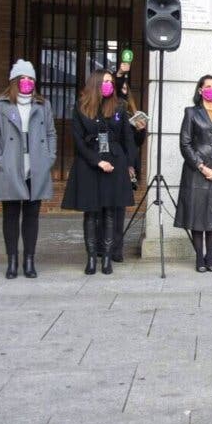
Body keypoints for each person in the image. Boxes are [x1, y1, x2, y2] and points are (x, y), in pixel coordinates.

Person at [0, 59, 57, 279]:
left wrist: (49, 157)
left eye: (31, 78)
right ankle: (12, 260)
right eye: (23, 78)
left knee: (32, 216)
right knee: (11, 215)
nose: (27, 82)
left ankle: (29, 260)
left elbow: (51, 133)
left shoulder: (43, 105)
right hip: (11, 166)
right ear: (15, 81)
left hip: (36, 166)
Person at [61, 70, 135, 275]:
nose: (108, 85)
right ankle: (92, 257)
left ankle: (107, 258)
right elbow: (77, 139)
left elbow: (127, 138)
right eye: (104, 82)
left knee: (110, 212)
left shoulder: (119, 106)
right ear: (95, 84)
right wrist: (97, 161)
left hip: (115, 162)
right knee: (91, 213)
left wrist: (130, 164)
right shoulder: (81, 106)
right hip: (89, 163)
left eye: (110, 82)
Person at [174, 75, 212, 273]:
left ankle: (210, 256)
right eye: (207, 86)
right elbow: (185, 143)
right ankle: (199, 257)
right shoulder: (191, 113)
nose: (211, 89)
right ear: (200, 90)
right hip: (196, 172)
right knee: (197, 215)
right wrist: (201, 166)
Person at [110, 58, 147, 264]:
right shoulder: (109, 110)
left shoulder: (131, 111)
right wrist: (120, 73)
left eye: (126, 87)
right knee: (106, 208)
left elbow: (137, 142)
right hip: (113, 162)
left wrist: (141, 130)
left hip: (128, 165)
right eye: (120, 87)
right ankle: (103, 245)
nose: (123, 89)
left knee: (120, 210)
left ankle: (117, 248)